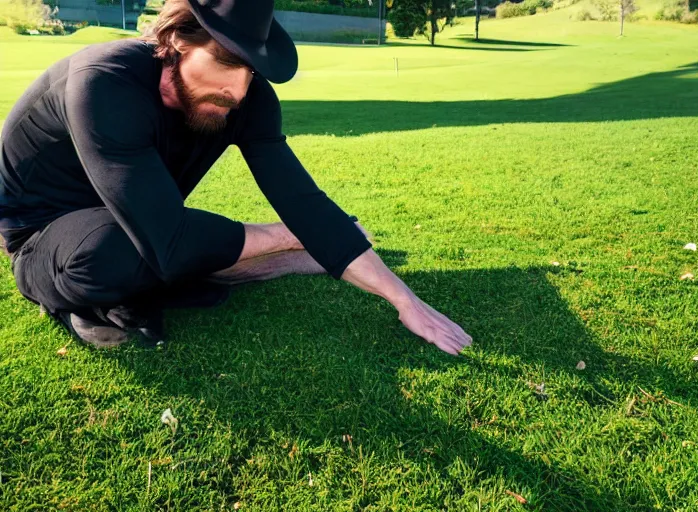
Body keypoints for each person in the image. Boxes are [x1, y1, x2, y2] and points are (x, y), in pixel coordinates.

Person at [0, 0, 472, 355]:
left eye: (250, 69)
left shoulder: (245, 98)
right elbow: (169, 238)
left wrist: (404, 300)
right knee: (112, 250)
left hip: (149, 218)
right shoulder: (103, 82)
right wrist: (289, 238)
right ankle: (90, 294)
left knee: (157, 247)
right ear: (177, 41)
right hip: (44, 234)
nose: (238, 89)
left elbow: (302, 198)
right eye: (227, 63)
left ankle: (150, 285)